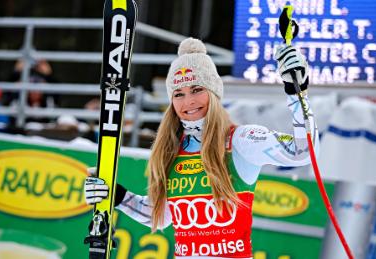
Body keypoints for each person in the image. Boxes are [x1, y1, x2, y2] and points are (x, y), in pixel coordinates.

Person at [84, 38, 319, 259]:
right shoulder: (172, 150)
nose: (188, 102)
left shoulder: (240, 140)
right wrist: (118, 196)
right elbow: (161, 215)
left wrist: (296, 94)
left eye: (197, 90)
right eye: (179, 94)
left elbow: (303, 153)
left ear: (214, 93)